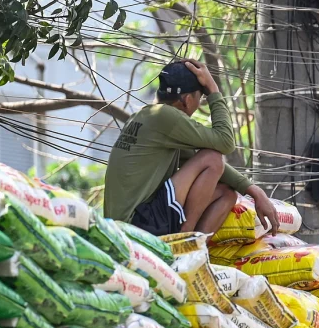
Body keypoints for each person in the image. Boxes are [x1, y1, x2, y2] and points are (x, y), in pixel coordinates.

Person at [104, 59, 279, 237]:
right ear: (187, 100)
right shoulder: (165, 116)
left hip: (129, 224)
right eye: (200, 98)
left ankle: (198, 246)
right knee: (212, 157)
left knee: (227, 194)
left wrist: (253, 191)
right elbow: (225, 143)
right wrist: (214, 90)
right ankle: (186, 238)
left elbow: (200, 163)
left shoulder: (144, 116)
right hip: (137, 224)